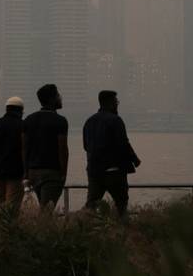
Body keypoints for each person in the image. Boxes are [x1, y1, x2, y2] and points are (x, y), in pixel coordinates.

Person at [82, 90, 140, 218]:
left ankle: (84, 230)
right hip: (114, 171)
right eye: (116, 102)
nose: (117, 104)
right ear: (109, 103)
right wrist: (135, 159)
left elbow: (86, 146)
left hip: (94, 171)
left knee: (91, 206)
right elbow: (124, 144)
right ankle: (123, 231)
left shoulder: (89, 122)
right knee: (121, 205)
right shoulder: (116, 120)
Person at [22, 84, 69, 210]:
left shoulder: (28, 120)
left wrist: (26, 173)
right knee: (46, 210)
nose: (60, 98)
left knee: (44, 206)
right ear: (52, 99)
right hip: (51, 173)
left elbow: (24, 148)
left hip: (33, 172)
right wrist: (63, 173)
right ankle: (40, 229)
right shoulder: (60, 121)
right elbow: (63, 149)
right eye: (58, 95)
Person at [0, 97, 26, 214]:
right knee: (12, 209)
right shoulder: (23, 125)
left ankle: (1, 229)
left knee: (3, 204)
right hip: (16, 173)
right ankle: (8, 231)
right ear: (20, 111)